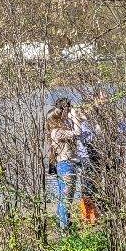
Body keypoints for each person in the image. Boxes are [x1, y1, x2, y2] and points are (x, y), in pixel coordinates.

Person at [46, 98, 83, 230]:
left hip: (64, 166)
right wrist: (74, 117)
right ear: (57, 119)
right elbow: (78, 133)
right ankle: (64, 228)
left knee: (64, 198)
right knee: (66, 199)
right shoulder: (58, 132)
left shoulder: (56, 131)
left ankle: (63, 224)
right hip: (66, 166)